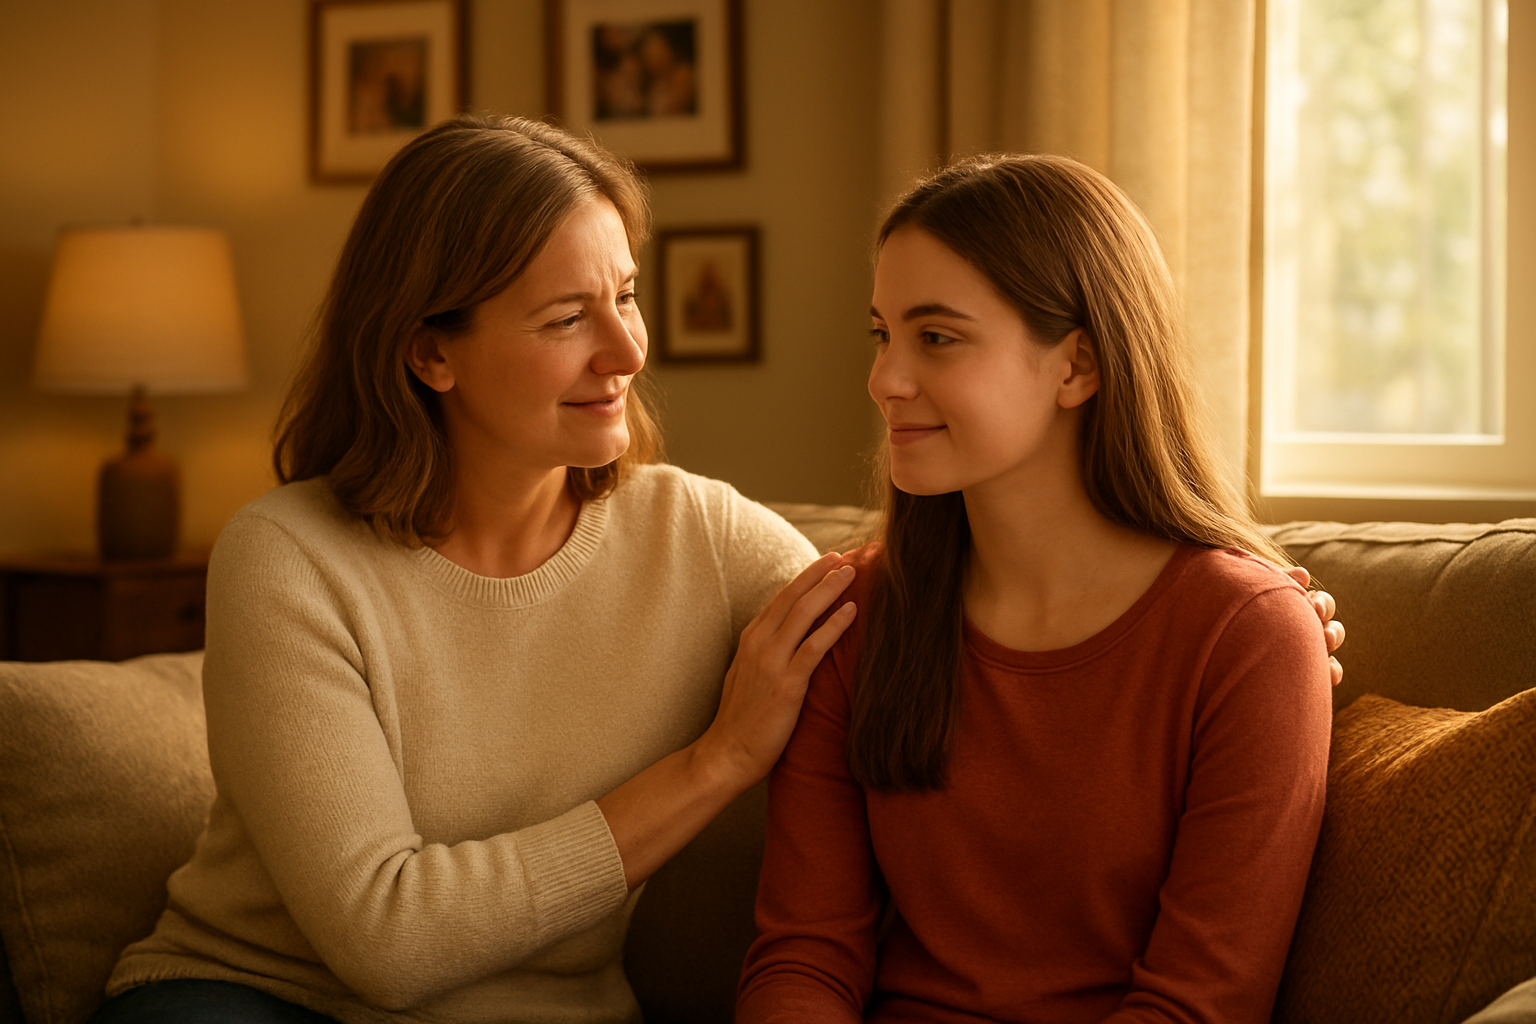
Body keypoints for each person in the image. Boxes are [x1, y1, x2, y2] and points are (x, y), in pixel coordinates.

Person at [90, 114, 857, 1024]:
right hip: (260, 999)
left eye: (627, 295)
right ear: (430, 352)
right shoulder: (286, 556)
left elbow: (906, 643)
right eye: (568, 318)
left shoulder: (702, 536)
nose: (628, 352)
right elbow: (388, 938)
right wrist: (717, 762)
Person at [736, 154, 1341, 1024]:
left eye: (936, 337)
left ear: (1077, 368)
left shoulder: (1246, 636)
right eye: (882, 335)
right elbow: (806, 956)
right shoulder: (851, 618)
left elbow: (1197, 1005)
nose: (885, 381)